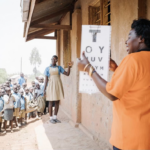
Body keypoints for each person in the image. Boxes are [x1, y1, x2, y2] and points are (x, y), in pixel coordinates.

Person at [77, 19, 150, 150]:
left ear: (141, 38)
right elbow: (140, 84)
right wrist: (117, 68)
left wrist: (88, 68)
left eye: (129, 36)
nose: (126, 41)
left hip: (129, 139)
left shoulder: (132, 60)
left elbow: (112, 93)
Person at [44, 55, 73, 124]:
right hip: (51, 86)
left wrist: (69, 67)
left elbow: (67, 74)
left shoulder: (59, 67)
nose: (53, 61)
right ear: (51, 60)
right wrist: (44, 90)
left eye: (55, 59)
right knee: (50, 101)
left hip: (57, 86)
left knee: (57, 102)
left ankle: (55, 117)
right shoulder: (47, 68)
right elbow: (46, 80)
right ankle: (51, 118)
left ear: (57, 60)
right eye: (52, 59)